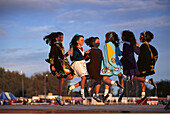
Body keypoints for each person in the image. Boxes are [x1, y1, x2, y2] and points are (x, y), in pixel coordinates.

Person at [43, 32, 73, 106]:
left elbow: (62, 56)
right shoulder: (54, 45)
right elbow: (51, 55)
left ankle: (59, 96)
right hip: (57, 65)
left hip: (62, 64)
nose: (61, 39)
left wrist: (67, 53)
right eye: (60, 37)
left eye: (62, 37)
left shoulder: (60, 45)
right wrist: (52, 65)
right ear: (56, 38)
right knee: (63, 78)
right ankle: (59, 96)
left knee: (66, 78)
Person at [133, 31, 158, 104]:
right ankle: (143, 96)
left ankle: (149, 81)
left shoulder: (144, 46)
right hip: (148, 66)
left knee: (135, 77)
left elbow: (138, 53)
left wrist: (136, 46)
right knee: (141, 81)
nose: (139, 38)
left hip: (142, 67)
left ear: (144, 37)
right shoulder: (150, 47)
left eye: (140, 36)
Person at [100, 32, 125, 103]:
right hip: (117, 63)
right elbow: (120, 53)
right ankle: (121, 91)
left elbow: (105, 56)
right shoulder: (116, 45)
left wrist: (106, 66)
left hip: (108, 63)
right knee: (120, 76)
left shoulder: (107, 45)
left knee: (105, 78)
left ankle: (110, 88)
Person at [67, 34, 90, 100]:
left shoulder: (82, 48)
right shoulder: (74, 48)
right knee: (84, 77)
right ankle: (82, 92)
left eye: (83, 40)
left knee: (84, 80)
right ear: (77, 41)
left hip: (82, 63)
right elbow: (73, 58)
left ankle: (72, 87)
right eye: (81, 40)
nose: (83, 41)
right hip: (77, 63)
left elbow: (84, 58)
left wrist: (86, 54)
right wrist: (71, 54)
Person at [120, 30, 140, 100]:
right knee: (129, 72)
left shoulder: (125, 44)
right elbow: (138, 52)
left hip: (126, 61)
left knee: (119, 72)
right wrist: (137, 46)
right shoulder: (132, 44)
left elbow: (126, 54)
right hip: (132, 62)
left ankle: (122, 88)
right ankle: (129, 78)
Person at [84, 37, 103, 102]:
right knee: (100, 80)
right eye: (97, 42)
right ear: (93, 43)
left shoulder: (100, 51)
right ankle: (95, 94)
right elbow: (86, 59)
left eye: (99, 42)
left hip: (99, 67)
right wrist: (86, 54)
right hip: (93, 67)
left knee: (101, 80)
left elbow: (102, 59)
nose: (98, 43)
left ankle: (91, 89)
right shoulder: (91, 50)